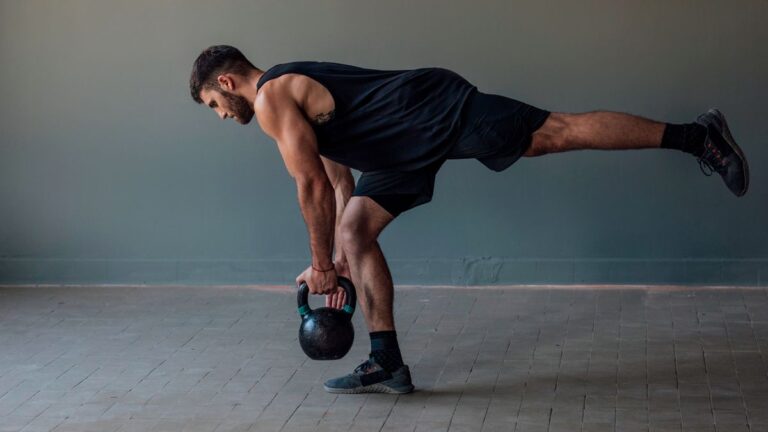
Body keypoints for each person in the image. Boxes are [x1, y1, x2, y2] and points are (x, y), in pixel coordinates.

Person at [188, 45, 749, 394]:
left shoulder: (271, 98)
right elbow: (335, 181)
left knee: (551, 135)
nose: (221, 116)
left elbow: (307, 185)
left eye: (215, 105)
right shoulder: (290, 103)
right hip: (394, 153)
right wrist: (334, 259)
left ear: (228, 83)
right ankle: (386, 363)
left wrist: (318, 268)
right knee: (355, 230)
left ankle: (698, 136)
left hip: (428, 108)